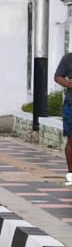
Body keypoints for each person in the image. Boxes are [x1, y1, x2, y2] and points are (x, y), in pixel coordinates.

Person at [53, 50, 72, 184]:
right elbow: (58, 76)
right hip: (71, 104)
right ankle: (71, 173)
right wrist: (68, 84)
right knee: (71, 139)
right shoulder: (68, 58)